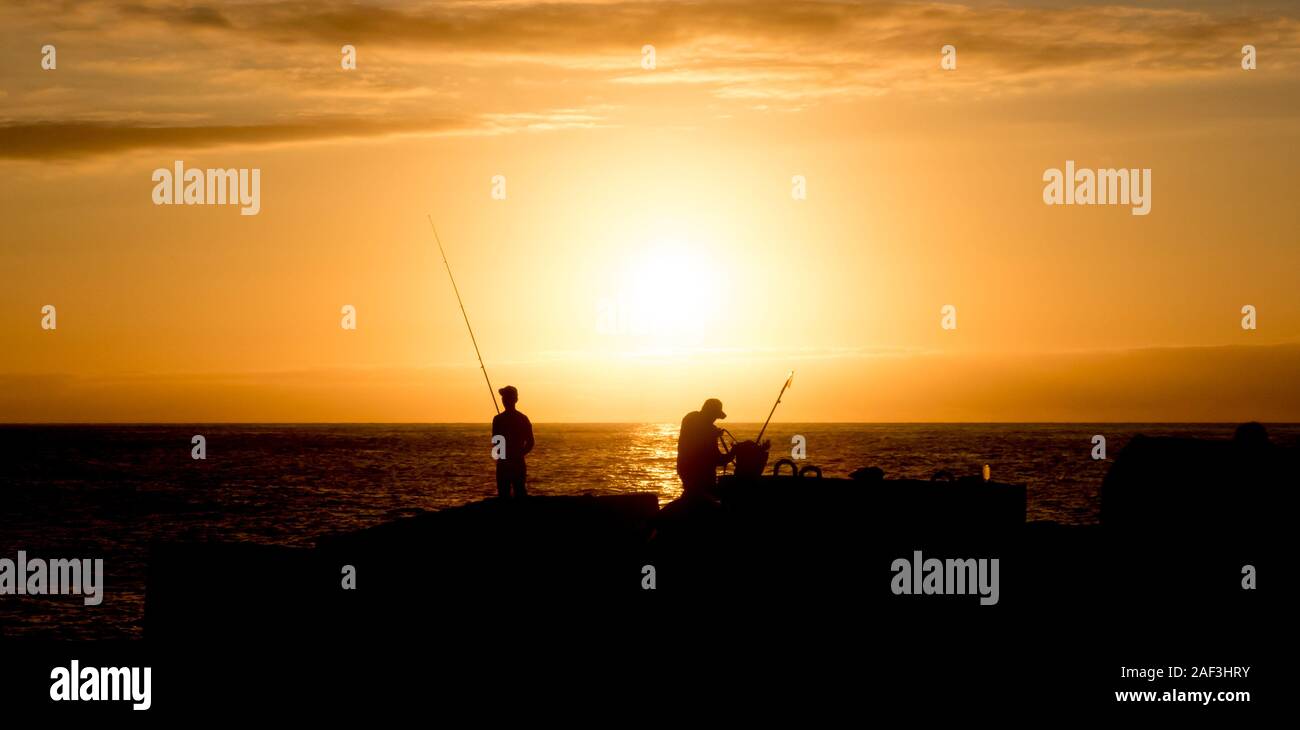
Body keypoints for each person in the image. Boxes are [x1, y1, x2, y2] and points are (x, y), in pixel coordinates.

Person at [676, 398, 733, 495]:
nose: (715, 419)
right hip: (702, 475)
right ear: (711, 413)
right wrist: (733, 453)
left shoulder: (690, 417)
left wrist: (712, 432)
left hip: (684, 469)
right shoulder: (709, 430)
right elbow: (717, 459)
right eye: (715, 416)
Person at [491, 385, 534, 498]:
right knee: (517, 492)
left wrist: (510, 456)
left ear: (514, 399)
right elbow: (530, 443)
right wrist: (518, 454)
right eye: (504, 397)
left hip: (508, 463)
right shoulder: (521, 418)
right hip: (512, 463)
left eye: (506, 397)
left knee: (511, 493)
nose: (504, 400)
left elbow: (496, 444)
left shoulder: (498, 419)